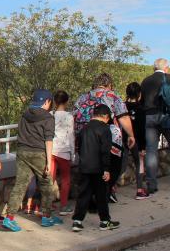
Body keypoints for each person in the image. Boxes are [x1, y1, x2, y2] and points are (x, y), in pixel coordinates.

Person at [3, 89, 61, 232]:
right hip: (38, 153)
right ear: (47, 102)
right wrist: (48, 161)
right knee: (46, 185)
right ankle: (47, 217)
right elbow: (48, 140)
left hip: (22, 152)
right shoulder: (48, 118)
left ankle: (9, 217)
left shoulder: (24, 115)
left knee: (20, 185)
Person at [72, 73, 136, 203]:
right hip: (107, 139)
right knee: (115, 165)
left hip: (84, 139)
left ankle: (92, 195)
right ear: (109, 84)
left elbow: (73, 118)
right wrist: (131, 135)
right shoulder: (113, 96)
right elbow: (123, 117)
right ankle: (106, 192)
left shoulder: (83, 97)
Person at [72, 104, 120, 232]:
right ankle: (105, 221)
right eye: (108, 117)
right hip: (99, 168)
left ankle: (77, 221)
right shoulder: (105, 129)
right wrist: (106, 169)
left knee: (83, 194)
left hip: (84, 166)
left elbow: (79, 147)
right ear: (105, 116)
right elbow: (105, 150)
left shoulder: (84, 129)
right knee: (101, 195)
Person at [140, 58, 170, 194]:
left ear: (154, 68)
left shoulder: (145, 81)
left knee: (151, 151)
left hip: (149, 117)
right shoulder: (168, 79)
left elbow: (141, 102)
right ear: (166, 68)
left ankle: (151, 185)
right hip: (166, 116)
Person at [125, 82, 150, 200]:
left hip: (123, 139)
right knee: (139, 162)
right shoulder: (141, 109)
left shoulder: (122, 106)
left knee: (121, 164)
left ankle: (110, 188)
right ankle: (139, 190)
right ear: (139, 94)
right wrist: (143, 147)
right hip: (136, 141)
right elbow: (142, 130)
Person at [51, 90, 75, 215]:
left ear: (55, 101)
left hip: (51, 150)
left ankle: (47, 204)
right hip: (64, 150)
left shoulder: (51, 115)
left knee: (50, 178)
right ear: (66, 101)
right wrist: (73, 153)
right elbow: (71, 136)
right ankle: (64, 205)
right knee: (66, 179)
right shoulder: (69, 116)